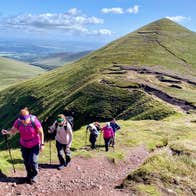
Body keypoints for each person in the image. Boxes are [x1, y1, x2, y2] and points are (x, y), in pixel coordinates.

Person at [1, 107, 44, 184]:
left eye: (25, 120)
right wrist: (7, 132)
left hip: (34, 144)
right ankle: (29, 175)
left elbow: (41, 132)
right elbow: (13, 131)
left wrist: (42, 144)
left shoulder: (34, 121)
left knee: (33, 161)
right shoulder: (18, 121)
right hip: (24, 144)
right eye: (22, 120)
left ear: (28, 117)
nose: (24, 122)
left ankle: (34, 176)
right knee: (26, 161)